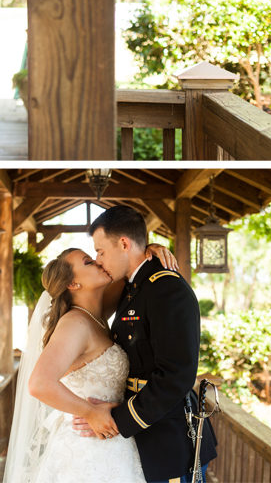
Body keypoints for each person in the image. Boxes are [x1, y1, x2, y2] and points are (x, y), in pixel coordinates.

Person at [6, 225, 200, 483]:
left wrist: (147, 249)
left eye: (97, 254)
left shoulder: (98, 312)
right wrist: (89, 412)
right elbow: (39, 383)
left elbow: (130, 267)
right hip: (91, 443)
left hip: (121, 438)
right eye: (89, 260)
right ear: (74, 283)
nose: (98, 261)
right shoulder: (75, 324)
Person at [90, 205, 217, 483]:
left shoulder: (165, 288)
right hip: (146, 435)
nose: (98, 260)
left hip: (170, 441)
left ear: (123, 243)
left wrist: (119, 420)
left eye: (100, 251)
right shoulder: (135, 287)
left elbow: (176, 375)